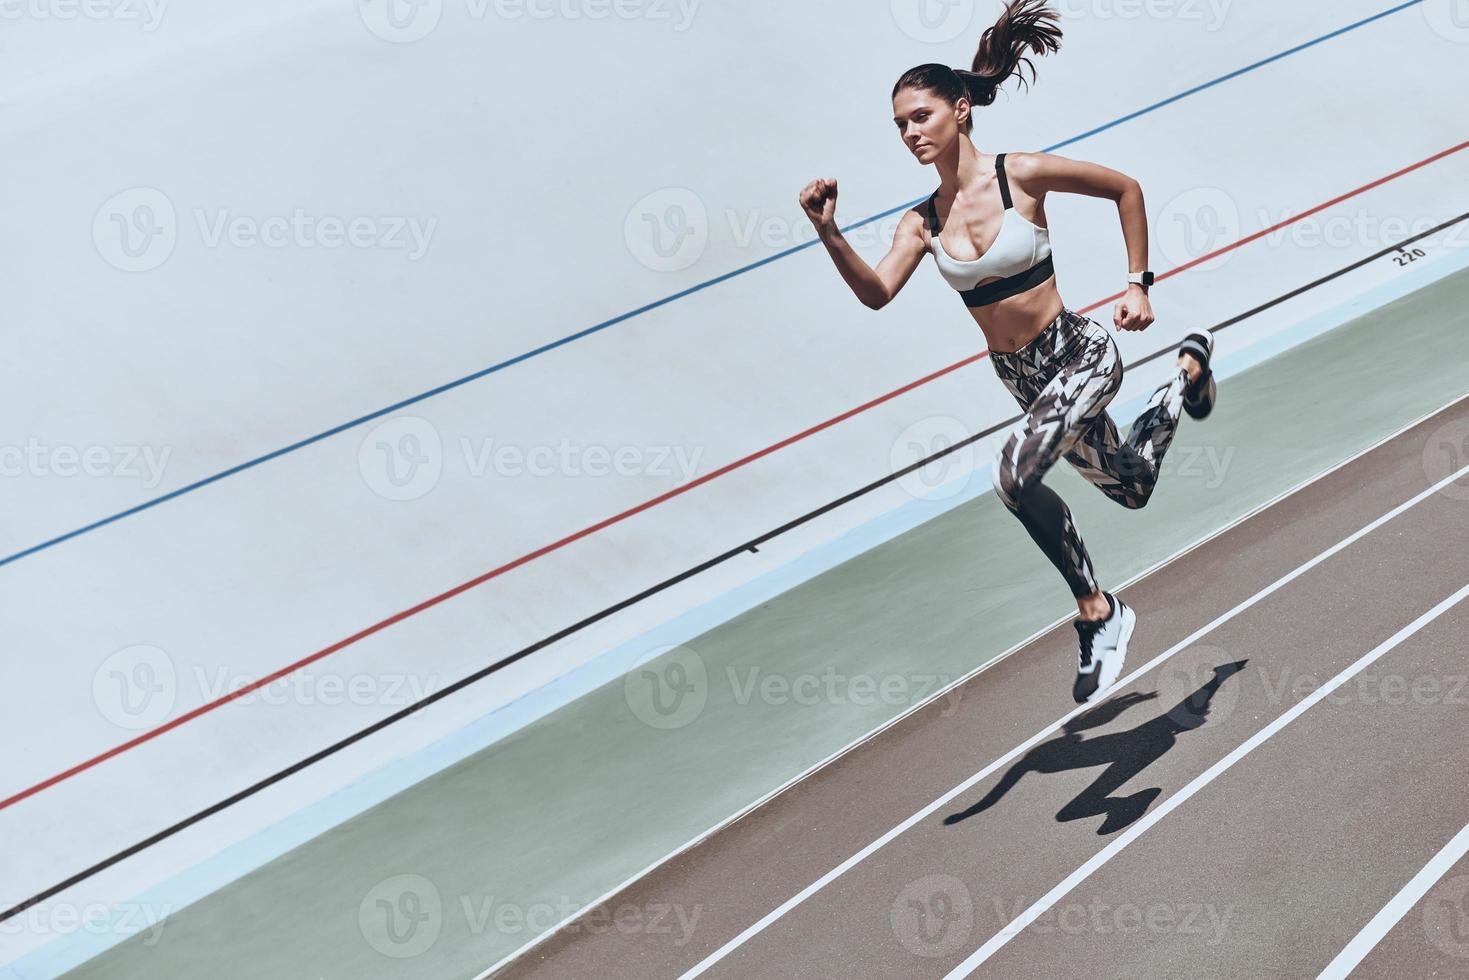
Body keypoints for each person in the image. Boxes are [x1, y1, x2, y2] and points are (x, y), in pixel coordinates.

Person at [797, 0, 1216, 704]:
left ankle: (1099, 613)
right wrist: (828, 231)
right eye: (899, 125)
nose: (908, 133)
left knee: (1013, 478)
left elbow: (1125, 189)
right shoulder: (920, 221)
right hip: (1022, 380)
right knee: (1133, 487)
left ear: (960, 109)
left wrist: (1137, 285)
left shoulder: (1017, 173)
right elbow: (875, 293)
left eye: (920, 116)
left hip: (1078, 353)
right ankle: (1188, 372)